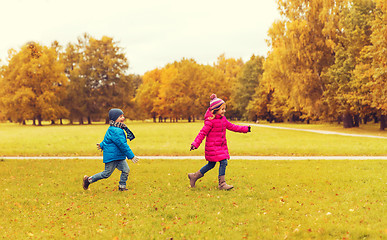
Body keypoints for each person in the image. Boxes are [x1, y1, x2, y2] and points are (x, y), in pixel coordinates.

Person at [188, 94, 251, 190]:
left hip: (220, 146)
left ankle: (194, 176)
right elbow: (202, 133)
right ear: (215, 110)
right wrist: (195, 144)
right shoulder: (210, 121)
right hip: (212, 147)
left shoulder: (223, 120)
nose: (224, 111)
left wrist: (245, 129)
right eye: (222, 109)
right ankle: (222, 184)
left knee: (211, 164)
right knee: (223, 161)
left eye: (224, 109)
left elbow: (233, 127)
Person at [83, 108, 139, 191]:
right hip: (112, 156)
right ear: (114, 118)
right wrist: (131, 156)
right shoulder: (116, 130)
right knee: (106, 174)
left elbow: (107, 139)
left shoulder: (114, 128)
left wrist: (101, 145)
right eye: (120, 116)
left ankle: (122, 187)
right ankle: (88, 180)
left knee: (126, 170)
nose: (123, 118)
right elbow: (122, 145)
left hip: (119, 156)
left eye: (123, 116)